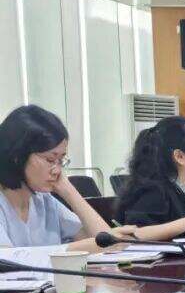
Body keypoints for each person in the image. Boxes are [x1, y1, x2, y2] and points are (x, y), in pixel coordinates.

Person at [0, 105, 137, 250]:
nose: (57, 170)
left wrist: (69, 191)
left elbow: (107, 243)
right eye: (50, 160)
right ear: (17, 156)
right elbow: (7, 258)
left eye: (61, 160)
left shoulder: (45, 201)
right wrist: (70, 249)